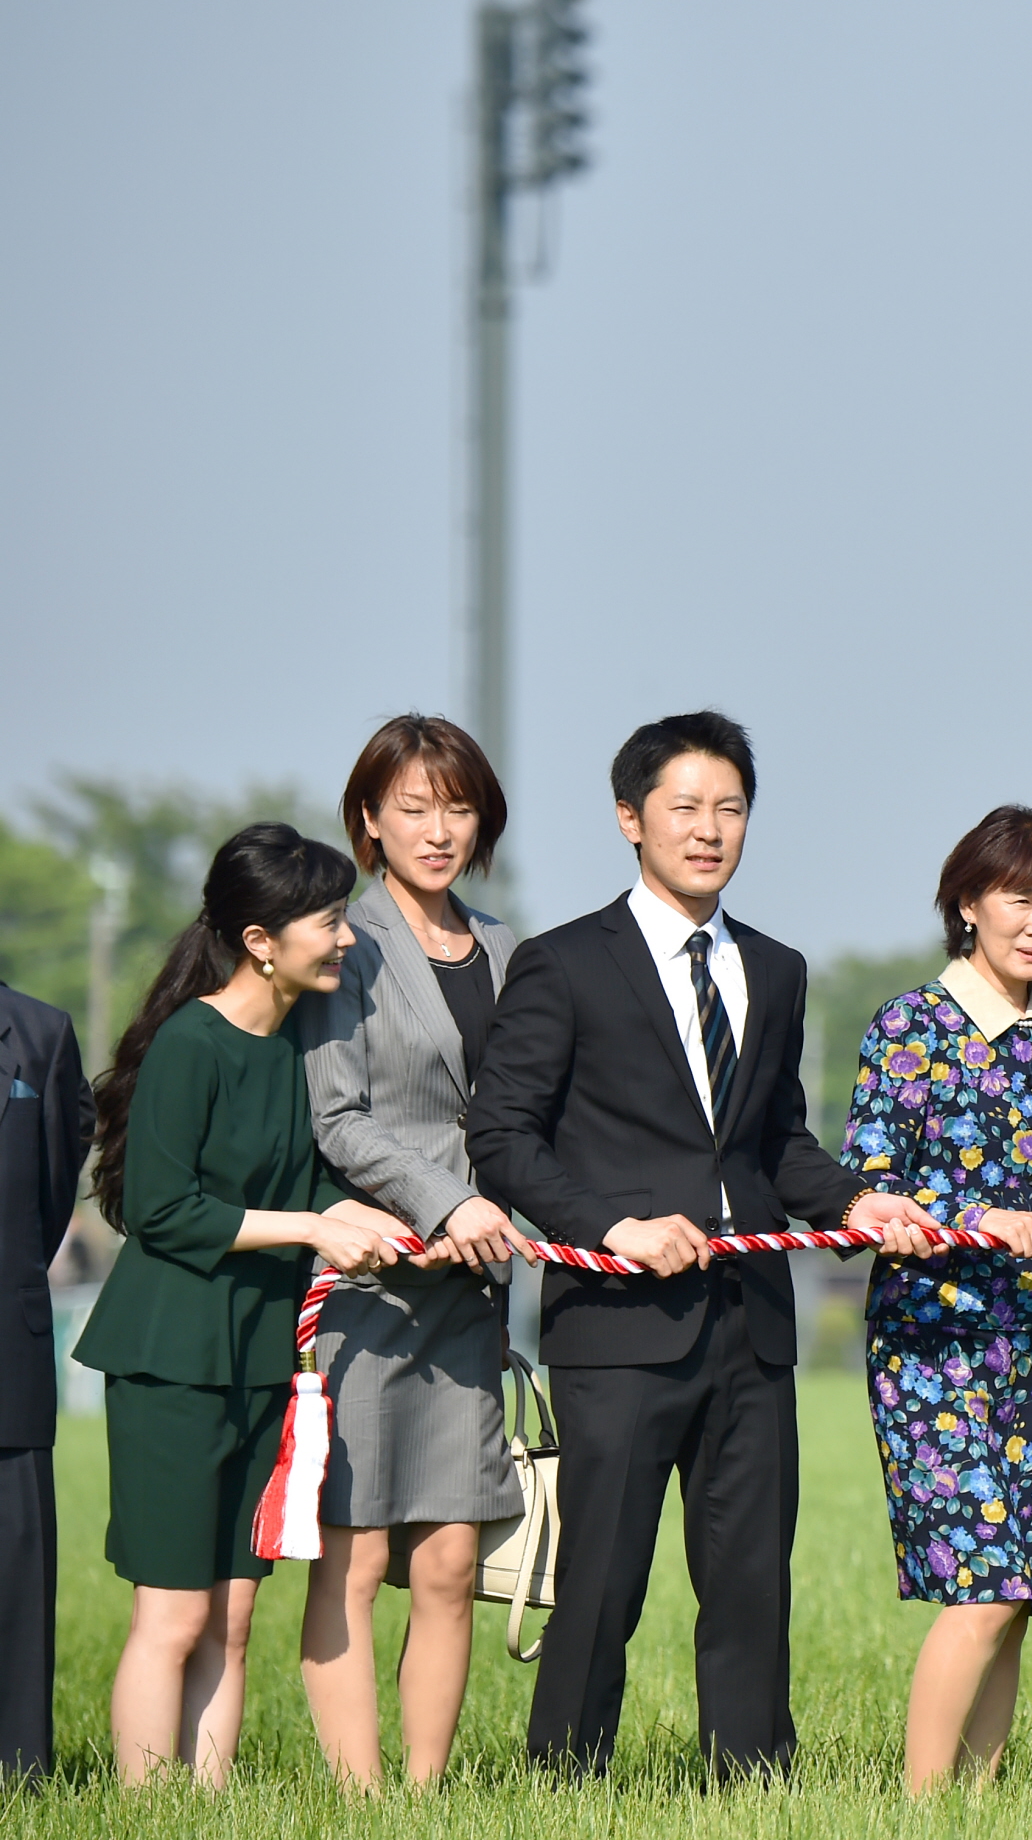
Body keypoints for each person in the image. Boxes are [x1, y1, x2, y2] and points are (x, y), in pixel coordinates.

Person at [469, 712, 939, 1777]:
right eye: (685, 806)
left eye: (730, 808)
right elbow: (502, 1136)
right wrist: (611, 1226)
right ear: (631, 817)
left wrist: (857, 1205)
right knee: (602, 1579)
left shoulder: (774, 969)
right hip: (621, 1329)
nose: (709, 828)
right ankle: (565, 1775)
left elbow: (775, 1142)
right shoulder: (563, 963)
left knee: (749, 1580)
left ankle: (753, 1774)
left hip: (752, 1323)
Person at [70, 825, 410, 1788]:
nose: (347, 939)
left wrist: (366, 1218)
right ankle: (144, 1806)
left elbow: (308, 1187)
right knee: (172, 1615)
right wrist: (310, 1229)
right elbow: (164, 1210)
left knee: (233, 1610)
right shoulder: (192, 1044)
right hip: (173, 1356)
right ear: (261, 940)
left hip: (261, 1357)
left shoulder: (295, 1048)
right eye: (331, 921)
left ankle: (206, 1806)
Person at [845, 806, 1032, 1793]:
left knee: (1017, 1592)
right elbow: (871, 1180)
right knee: (986, 1582)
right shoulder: (911, 1027)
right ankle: (920, 1805)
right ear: (968, 902)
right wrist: (980, 1215)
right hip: (932, 1345)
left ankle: (979, 1801)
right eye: (1019, 897)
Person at [292, 715, 537, 1788]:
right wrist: (446, 1206)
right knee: (357, 1547)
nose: (440, 829)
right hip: (369, 1285)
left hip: (472, 1292)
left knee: (448, 1557)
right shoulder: (345, 943)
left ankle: (425, 1795)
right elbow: (339, 1120)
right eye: (415, 808)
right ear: (369, 822)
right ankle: (361, 1794)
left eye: (459, 806)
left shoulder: (512, 948)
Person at [0, 978, 85, 1782]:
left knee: (16, 1563)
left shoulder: (41, 1033)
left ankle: (17, 1770)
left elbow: (54, 1189)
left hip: (6, 1344)